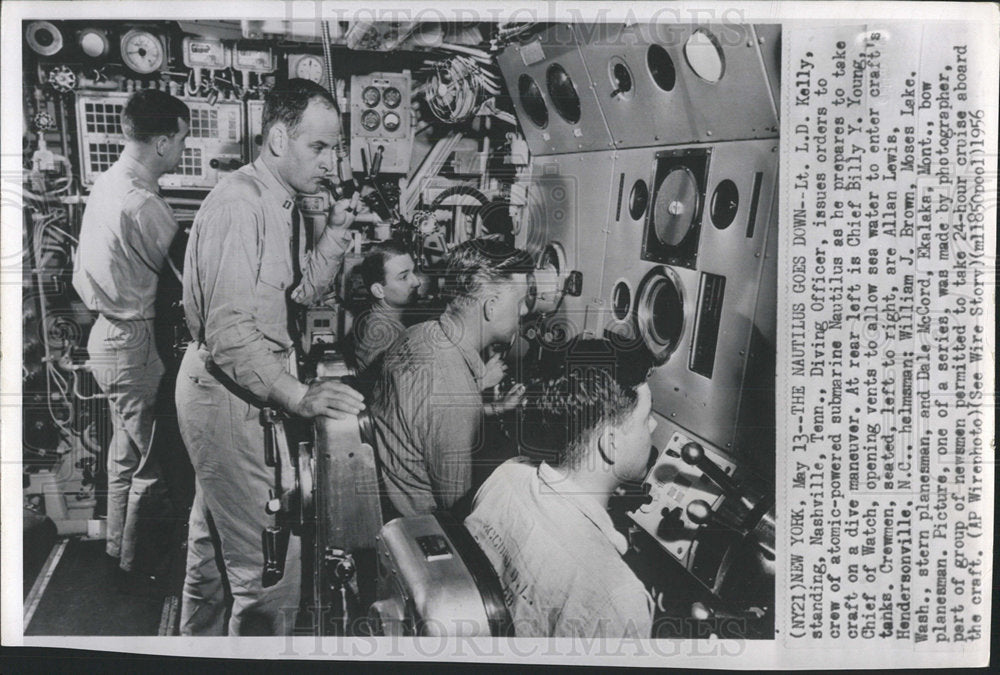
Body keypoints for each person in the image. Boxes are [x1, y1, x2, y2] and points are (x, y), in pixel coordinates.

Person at [176, 79, 365, 636]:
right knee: (269, 576)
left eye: (335, 148)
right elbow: (231, 337)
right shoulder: (241, 205)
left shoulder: (277, 201)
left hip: (231, 389)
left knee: (212, 559)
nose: (332, 163)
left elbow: (298, 296)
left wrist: (333, 235)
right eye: (321, 147)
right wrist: (300, 396)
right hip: (228, 395)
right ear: (280, 137)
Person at [465, 338, 657, 638]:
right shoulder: (620, 599)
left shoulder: (506, 477)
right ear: (611, 444)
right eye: (647, 418)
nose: (655, 427)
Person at [73, 89, 190, 578]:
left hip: (105, 336)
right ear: (162, 141)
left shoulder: (109, 181)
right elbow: (191, 274)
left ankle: (118, 552)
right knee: (155, 464)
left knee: (125, 457)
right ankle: (143, 570)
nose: (182, 150)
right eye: (182, 140)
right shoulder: (144, 203)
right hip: (134, 343)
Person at [370, 237, 531, 518]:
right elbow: (458, 511)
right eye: (521, 301)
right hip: (420, 527)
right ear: (490, 307)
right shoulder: (453, 397)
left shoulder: (416, 333)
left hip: (388, 497)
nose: (525, 311)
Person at [351, 240, 422, 372]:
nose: (416, 282)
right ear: (379, 290)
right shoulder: (380, 333)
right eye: (404, 277)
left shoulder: (389, 320)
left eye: (414, 272)